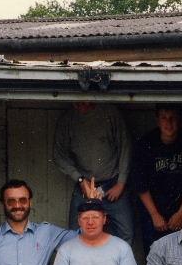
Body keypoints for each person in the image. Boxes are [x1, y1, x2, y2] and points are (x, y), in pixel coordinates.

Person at [131, 104, 182, 254]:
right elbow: (139, 183)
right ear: (157, 120)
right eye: (164, 118)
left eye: (173, 118)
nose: (168, 123)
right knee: (155, 253)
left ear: (180, 119)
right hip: (153, 209)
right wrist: (154, 215)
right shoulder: (145, 143)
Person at [53, 102, 134, 244]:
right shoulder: (68, 119)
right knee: (74, 234)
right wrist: (79, 179)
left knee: (126, 232)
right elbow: (59, 156)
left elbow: (125, 146)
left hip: (112, 184)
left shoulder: (110, 113)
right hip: (84, 186)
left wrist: (121, 182)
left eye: (86, 102)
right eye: (77, 103)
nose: (81, 106)